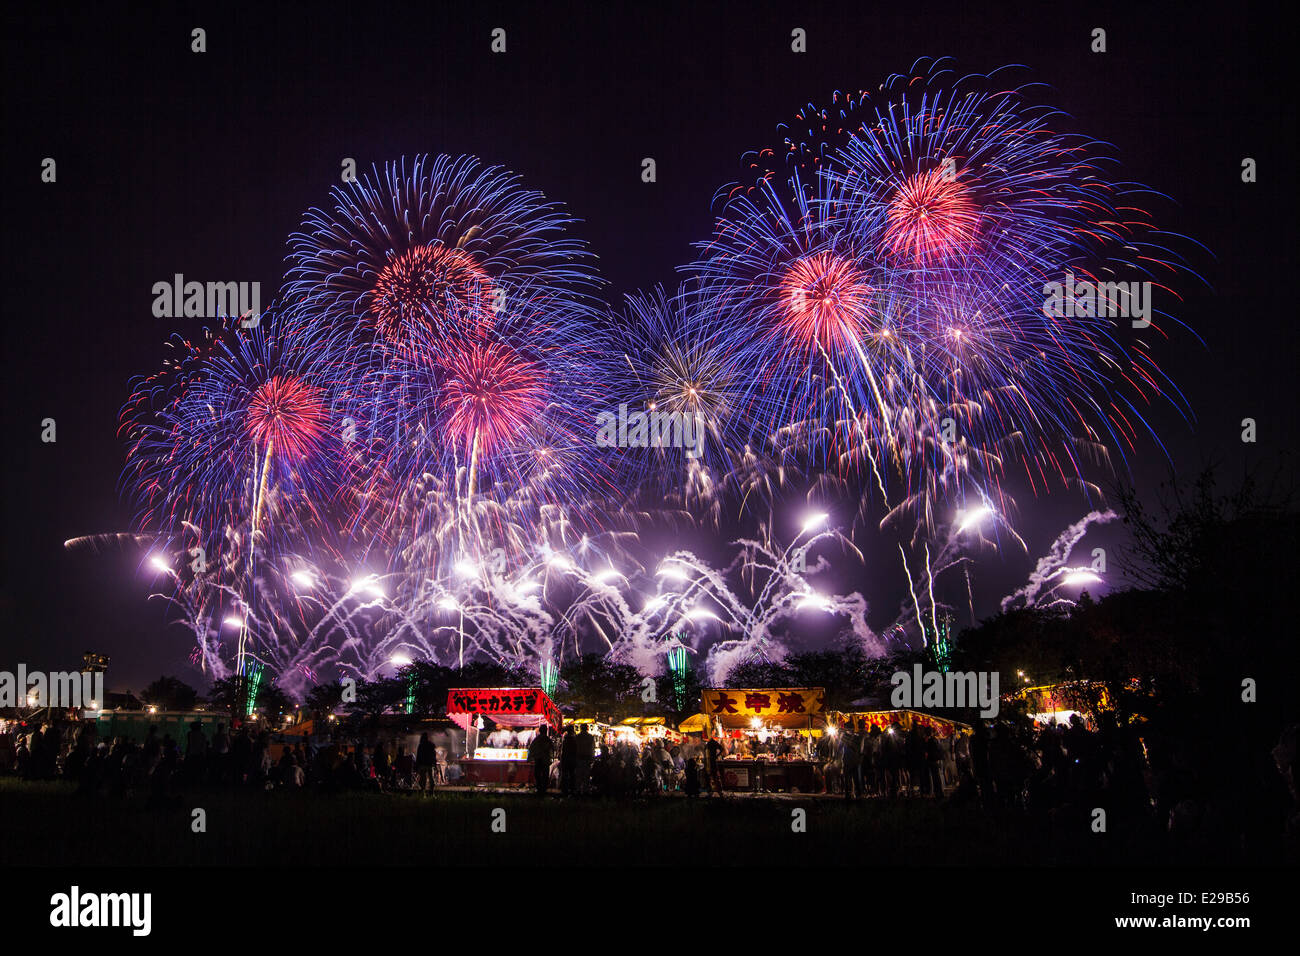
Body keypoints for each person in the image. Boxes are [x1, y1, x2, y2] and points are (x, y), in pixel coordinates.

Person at [528, 725, 554, 796]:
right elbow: (552, 748)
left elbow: (531, 748)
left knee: (538, 774)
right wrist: (552, 758)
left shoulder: (537, 739)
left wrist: (530, 757)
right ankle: (543, 788)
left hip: (539, 759)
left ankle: (539, 788)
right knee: (545, 774)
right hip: (545, 759)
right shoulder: (547, 739)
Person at [575, 724, 595, 794]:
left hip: (579, 758)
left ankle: (578, 790)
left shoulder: (577, 737)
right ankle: (585, 790)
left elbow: (575, 749)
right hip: (587, 758)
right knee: (586, 776)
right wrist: (592, 758)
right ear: (587, 729)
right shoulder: (590, 737)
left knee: (579, 776)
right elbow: (592, 749)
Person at [559, 724, 577, 796]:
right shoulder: (574, 739)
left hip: (566, 759)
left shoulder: (566, 739)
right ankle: (572, 789)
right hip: (572, 759)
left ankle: (565, 789)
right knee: (572, 775)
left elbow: (563, 750)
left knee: (565, 775)